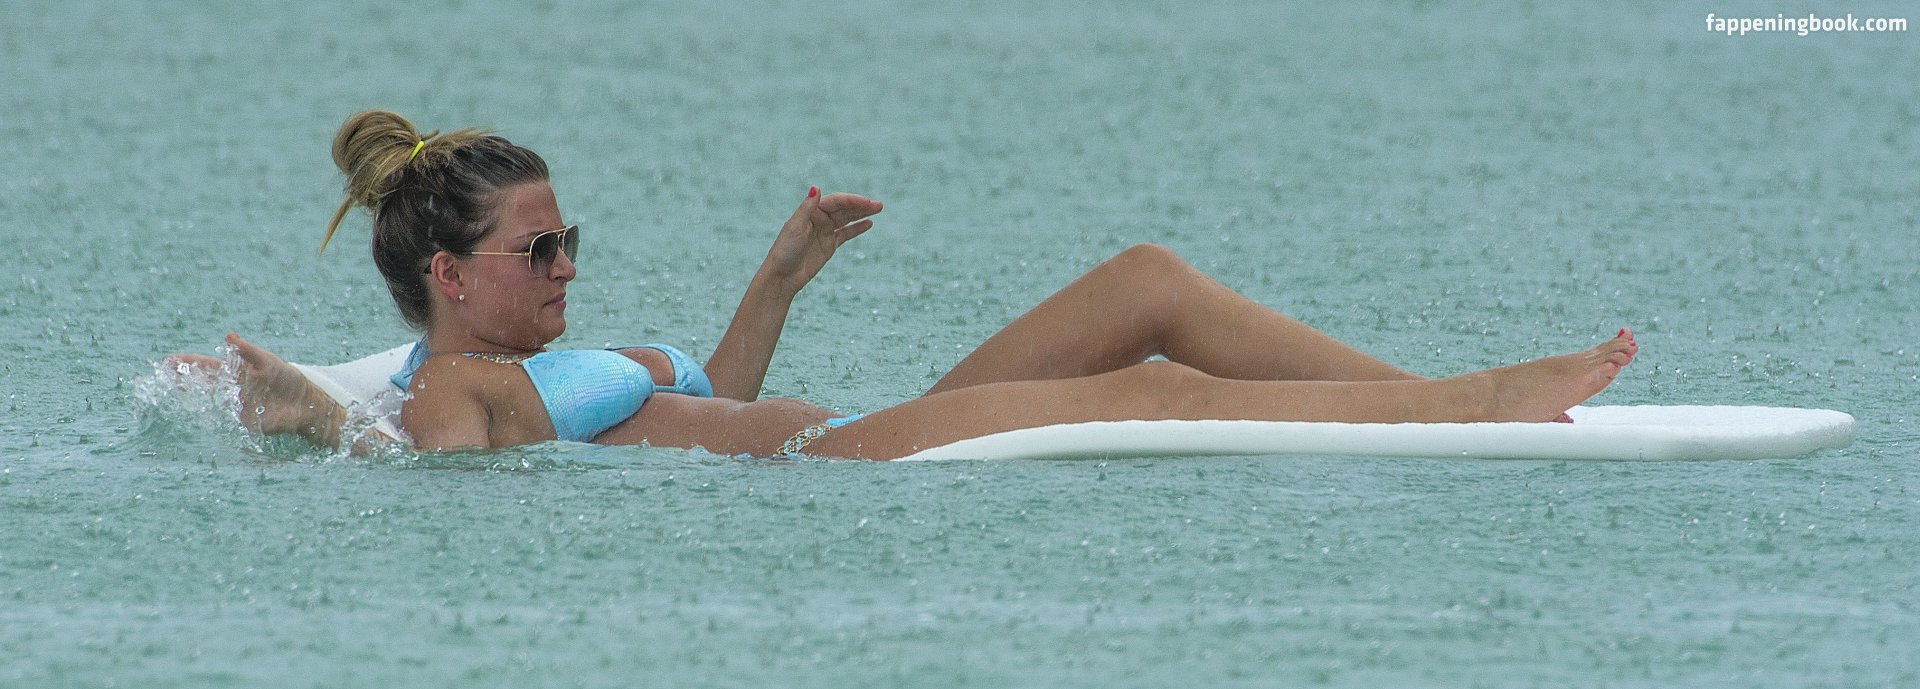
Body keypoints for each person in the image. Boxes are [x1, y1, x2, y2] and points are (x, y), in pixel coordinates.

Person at [166, 110, 1638, 461]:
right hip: (848, 467)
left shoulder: (540, 370)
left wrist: (782, 272)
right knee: (1152, 388)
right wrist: (307, 412)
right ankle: (1470, 407)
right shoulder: (455, 391)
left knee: (1146, 283)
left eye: (568, 240)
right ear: (448, 275)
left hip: (858, 425)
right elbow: (418, 459)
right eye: (535, 251)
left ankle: (1433, 400)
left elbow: (707, 403)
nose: (565, 267)